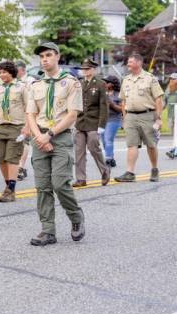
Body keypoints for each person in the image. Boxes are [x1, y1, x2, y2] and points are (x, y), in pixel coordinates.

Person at [26, 42, 85, 246]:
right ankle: (48, 230)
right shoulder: (35, 85)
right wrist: (39, 137)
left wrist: (49, 135)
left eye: (49, 55)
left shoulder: (70, 82)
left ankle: (76, 217)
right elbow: (31, 115)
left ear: (58, 56)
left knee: (60, 184)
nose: (44, 59)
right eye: (41, 56)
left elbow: (72, 115)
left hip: (60, 136)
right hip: (39, 138)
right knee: (42, 187)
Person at [0, 61, 29, 203]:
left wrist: (27, 127)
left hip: (17, 127)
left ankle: (11, 190)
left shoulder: (22, 88)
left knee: (12, 158)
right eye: (0, 72)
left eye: (4, 72)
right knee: (1, 159)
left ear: (12, 72)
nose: (2, 75)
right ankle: (8, 186)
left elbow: (30, 109)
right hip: (2, 127)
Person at [115, 53, 164, 183]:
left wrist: (158, 118)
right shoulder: (126, 79)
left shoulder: (150, 78)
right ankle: (130, 173)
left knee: (151, 145)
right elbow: (123, 101)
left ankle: (154, 170)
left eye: (130, 62)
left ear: (138, 63)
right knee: (132, 144)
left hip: (147, 115)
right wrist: (125, 117)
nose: (128, 64)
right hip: (130, 116)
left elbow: (158, 99)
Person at [73, 58, 110, 187]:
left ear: (93, 70)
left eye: (87, 69)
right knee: (79, 152)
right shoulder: (79, 83)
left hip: (94, 123)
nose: (85, 71)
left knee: (94, 148)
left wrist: (102, 125)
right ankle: (80, 178)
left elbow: (104, 106)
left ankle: (105, 170)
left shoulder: (100, 84)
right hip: (80, 122)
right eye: (83, 69)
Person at [15, 61, 34, 181]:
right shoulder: (15, 81)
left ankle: (20, 168)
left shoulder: (30, 80)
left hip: (28, 114)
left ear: (21, 70)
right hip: (17, 115)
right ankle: (19, 167)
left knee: (24, 141)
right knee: (17, 142)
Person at [101, 76, 122, 168]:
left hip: (113, 120)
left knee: (108, 139)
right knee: (104, 141)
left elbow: (122, 109)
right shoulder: (102, 93)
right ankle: (111, 158)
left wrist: (112, 104)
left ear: (112, 84)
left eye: (107, 82)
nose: (104, 83)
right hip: (102, 120)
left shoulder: (118, 95)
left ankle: (108, 158)